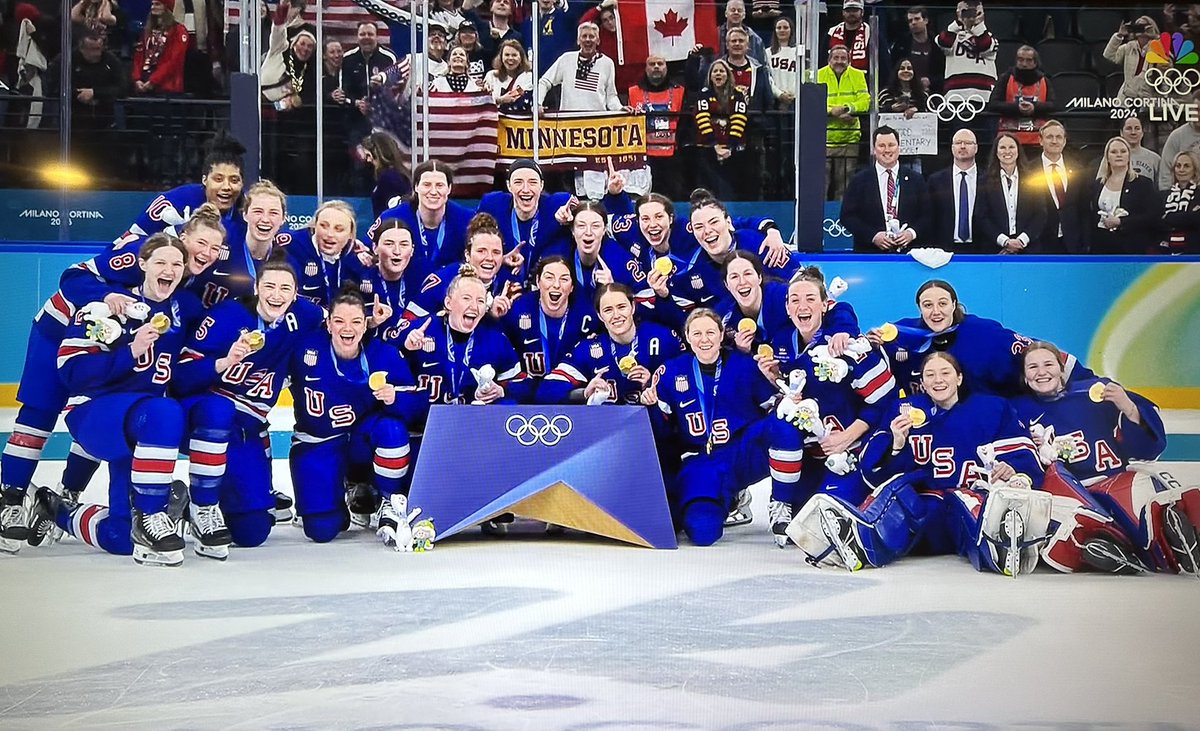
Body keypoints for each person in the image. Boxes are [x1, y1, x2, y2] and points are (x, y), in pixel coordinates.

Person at [0, 209, 226, 554]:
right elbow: (73, 278)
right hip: (60, 335)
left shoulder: (185, 301)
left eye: (215, 248)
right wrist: (109, 309)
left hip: (127, 404)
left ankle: (64, 503)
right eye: (201, 243)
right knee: (39, 415)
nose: (207, 253)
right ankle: (11, 497)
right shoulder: (122, 275)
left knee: (122, 535)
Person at [792, 351, 1049, 576]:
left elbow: (1021, 450)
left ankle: (1001, 544)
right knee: (904, 505)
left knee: (969, 509)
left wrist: (1015, 470)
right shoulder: (904, 410)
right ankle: (859, 541)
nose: (938, 380)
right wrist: (897, 443)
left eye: (945, 373)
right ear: (922, 383)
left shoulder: (991, 408)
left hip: (970, 495)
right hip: (927, 506)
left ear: (959, 378)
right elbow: (873, 470)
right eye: (930, 375)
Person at [41, 235, 206, 566]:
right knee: (164, 411)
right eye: (160, 262)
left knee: (119, 537)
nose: (169, 270)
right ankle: (152, 513)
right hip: (96, 414)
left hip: (142, 427)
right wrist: (130, 352)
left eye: (176, 264)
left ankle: (58, 511)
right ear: (142, 264)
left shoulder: (182, 308)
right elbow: (72, 373)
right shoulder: (107, 307)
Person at [167, 257, 326, 551]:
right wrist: (224, 362)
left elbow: (339, 323)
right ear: (256, 287)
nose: (276, 295)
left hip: (246, 430)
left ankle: (185, 503)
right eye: (269, 286)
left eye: (284, 288)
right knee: (220, 410)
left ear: (295, 294)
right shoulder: (226, 317)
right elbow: (180, 378)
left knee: (252, 532)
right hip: (205, 418)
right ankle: (204, 506)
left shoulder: (305, 315)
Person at [1011, 342, 1198, 575]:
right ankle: (1110, 545)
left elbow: (1150, 449)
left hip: (1113, 481)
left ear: (1061, 369)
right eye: (1033, 367)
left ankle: (1171, 535)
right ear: (1025, 377)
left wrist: (1129, 408)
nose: (1041, 372)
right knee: (1071, 523)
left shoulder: (1095, 393)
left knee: (1143, 504)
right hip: (1065, 493)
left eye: (1048, 364)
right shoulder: (1016, 410)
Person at [755, 267, 897, 546]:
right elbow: (792, 390)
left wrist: (848, 436)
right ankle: (781, 501)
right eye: (794, 300)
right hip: (811, 450)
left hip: (848, 449)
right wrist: (775, 380)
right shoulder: (782, 342)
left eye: (810, 298)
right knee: (779, 423)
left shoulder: (847, 343)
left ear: (825, 304)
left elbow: (885, 401)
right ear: (786, 307)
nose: (802, 306)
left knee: (825, 518)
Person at [288, 286, 427, 547]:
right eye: (339, 321)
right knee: (322, 529)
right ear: (328, 324)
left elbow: (419, 405)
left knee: (392, 431)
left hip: (362, 441)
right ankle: (344, 491)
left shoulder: (383, 354)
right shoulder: (304, 349)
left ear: (366, 326)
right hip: (319, 443)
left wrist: (396, 398)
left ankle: (389, 498)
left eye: (355, 322)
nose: (346, 328)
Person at [641, 308, 776, 546]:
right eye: (697, 333)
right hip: (701, 461)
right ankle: (720, 499)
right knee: (704, 533)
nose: (704, 339)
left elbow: (773, 409)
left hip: (739, 453)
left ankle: (789, 499)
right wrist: (652, 406)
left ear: (722, 334)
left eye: (711, 332)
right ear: (687, 337)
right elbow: (662, 434)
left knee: (784, 428)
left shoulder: (745, 366)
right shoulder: (671, 371)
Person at [867, 279, 1092, 399]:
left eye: (943, 303)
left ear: (954, 304)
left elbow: (1037, 352)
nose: (936, 311)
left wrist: (1088, 382)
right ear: (919, 308)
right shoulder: (902, 333)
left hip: (987, 418)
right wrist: (871, 345)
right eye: (928, 305)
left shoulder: (986, 333)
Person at [402, 266, 528, 409]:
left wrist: (501, 390)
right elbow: (387, 360)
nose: (474, 307)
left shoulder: (496, 339)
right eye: (466, 298)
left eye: (480, 301)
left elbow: (522, 384)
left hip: (471, 423)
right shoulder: (421, 329)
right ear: (448, 303)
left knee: (508, 405)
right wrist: (406, 348)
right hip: (426, 422)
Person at [538, 283, 683, 405]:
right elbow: (545, 391)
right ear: (600, 315)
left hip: (653, 431)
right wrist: (584, 392)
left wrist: (652, 384)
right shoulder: (589, 348)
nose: (616, 315)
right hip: (608, 430)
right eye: (608, 310)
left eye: (621, 307)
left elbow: (685, 383)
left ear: (632, 307)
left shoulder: (662, 338)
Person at [113, 131, 246, 249]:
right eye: (218, 179)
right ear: (204, 180)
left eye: (234, 180)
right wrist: (176, 232)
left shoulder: (249, 211)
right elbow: (127, 242)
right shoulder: (175, 202)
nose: (226, 187)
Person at [499, 255, 598, 391]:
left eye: (564, 279)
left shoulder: (587, 316)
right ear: (538, 282)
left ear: (572, 287)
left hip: (569, 395)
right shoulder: (518, 310)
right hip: (524, 393)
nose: (556, 285)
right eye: (549, 277)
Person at [403, 212, 519, 324]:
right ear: (467, 255)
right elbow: (407, 323)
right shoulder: (444, 281)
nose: (489, 258)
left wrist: (496, 316)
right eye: (481, 251)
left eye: (496, 252)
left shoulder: (507, 284)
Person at [370, 160, 476, 280]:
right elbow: (367, 248)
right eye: (427, 185)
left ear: (449, 188)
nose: (433, 191)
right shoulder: (393, 216)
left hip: (451, 289)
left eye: (439, 185)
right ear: (416, 187)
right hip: (404, 288)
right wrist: (362, 253)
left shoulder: (467, 219)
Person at [841, 125, 931, 253]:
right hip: (870, 255)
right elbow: (847, 216)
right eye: (882, 145)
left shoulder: (916, 179)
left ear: (899, 148)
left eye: (891, 145)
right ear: (874, 149)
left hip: (909, 255)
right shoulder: (859, 180)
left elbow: (927, 215)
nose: (887, 150)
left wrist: (911, 233)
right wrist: (873, 236)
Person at [540, 202, 647, 308]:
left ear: (604, 229)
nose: (588, 232)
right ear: (572, 230)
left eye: (595, 226)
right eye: (581, 226)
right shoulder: (558, 254)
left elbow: (646, 305)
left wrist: (614, 290)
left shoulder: (622, 262)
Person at [1082, 136, 1162, 255]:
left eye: (1123, 151)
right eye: (1114, 152)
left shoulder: (1143, 183)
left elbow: (1152, 216)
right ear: (1107, 157)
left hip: (1131, 247)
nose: (1119, 155)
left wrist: (1121, 222)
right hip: (1101, 247)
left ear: (1129, 156)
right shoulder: (1098, 184)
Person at [287, 200, 369, 307]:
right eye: (324, 226)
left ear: (350, 234)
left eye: (339, 229)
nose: (330, 234)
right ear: (314, 226)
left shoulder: (357, 258)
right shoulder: (293, 247)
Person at [357, 219, 424, 345]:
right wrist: (372, 322)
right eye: (389, 244)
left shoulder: (421, 276)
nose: (397, 251)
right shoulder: (360, 277)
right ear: (375, 248)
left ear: (412, 250)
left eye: (404, 244)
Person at [628, 55, 686, 200]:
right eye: (652, 64)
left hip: (674, 158)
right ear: (646, 68)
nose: (656, 67)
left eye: (660, 63)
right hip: (644, 157)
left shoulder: (680, 91)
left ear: (666, 67)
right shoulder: (633, 92)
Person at [979, 132, 1048, 254]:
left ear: (1018, 151)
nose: (1007, 151)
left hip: (1028, 248)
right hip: (995, 249)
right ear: (996, 152)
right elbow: (982, 217)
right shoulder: (984, 181)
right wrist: (1005, 241)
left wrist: (1022, 240)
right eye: (1002, 147)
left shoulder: (1033, 179)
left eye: (1011, 147)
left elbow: (1040, 214)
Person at [693, 59, 751, 201]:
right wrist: (715, 145)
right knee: (709, 187)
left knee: (732, 189)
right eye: (715, 71)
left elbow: (740, 119)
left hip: (733, 149)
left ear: (728, 74)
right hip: (707, 147)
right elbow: (702, 118)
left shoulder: (737, 94)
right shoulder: (704, 94)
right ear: (710, 76)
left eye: (722, 71)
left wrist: (730, 146)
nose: (718, 74)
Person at [819, 46, 869, 201]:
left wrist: (848, 108)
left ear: (849, 60)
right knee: (821, 184)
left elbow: (865, 100)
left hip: (849, 139)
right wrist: (831, 111)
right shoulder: (817, 75)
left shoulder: (857, 75)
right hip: (824, 139)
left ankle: (841, 219)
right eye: (836, 58)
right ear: (829, 60)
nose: (839, 61)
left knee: (845, 184)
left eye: (843, 58)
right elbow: (811, 101)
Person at [536, 22, 622, 113]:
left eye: (592, 36)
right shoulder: (566, 59)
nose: (588, 40)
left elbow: (611, 96)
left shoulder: (607, 63)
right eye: (584, 36)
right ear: (578, 41)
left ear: (598, 41)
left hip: (597, 122)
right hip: (568, 121)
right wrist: (538, 103)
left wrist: (620, 109)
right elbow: (544, 82)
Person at [987, 45, 1055, 150]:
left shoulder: (1045, 80)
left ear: (1035, 62)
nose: (1024, 64)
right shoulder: (1005, 78)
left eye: (1028, 60)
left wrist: (1035, 108)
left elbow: (1053, 105)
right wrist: (1016, 108)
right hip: (1009, 141)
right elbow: (993, 104)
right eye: (1021, 60)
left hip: (1038, 140)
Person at [1034, 120, 1084, 253]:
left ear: (1065, 141)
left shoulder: (1078, 169)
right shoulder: (1028, 170)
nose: (1054, 141)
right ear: (1040, 140)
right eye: (1049, 137)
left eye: (1059, 137)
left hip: (1073, 243)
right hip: (1040, 243)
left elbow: (1083, 209)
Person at [935, 0, 997, 104]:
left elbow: (985, 46)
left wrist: (978, 24)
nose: (970, 13)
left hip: (984, 95)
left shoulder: (989, 38)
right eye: (965, 11)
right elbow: (943, 43)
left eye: (975, 11)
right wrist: (958, 23)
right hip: (955, 95)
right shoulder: (951, 35)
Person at [260, 1, 317, 112]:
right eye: (302, 44)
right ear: (294, 44)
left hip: (284, 116)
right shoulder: (280, 48)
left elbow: (308, 94)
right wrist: (282, 9)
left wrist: (296, 100)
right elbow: (278, 31)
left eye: (310, 47)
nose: (305, 49)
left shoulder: (309, 68)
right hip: (258, 102)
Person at [131, 0, 189, 95]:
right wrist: (137, 79)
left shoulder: (179, 31)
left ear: (166, 7)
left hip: (167, 88)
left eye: (157, 4)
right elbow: (139, 55)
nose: (153, 7)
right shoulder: (147, 30)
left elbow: (174, 61)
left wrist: (154, 81)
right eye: (152, 4)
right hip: (144, 84)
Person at [1103, 16, 1161, 105]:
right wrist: (1119, 35)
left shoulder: (1158, 48)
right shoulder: (1129, 47)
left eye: (1144, 26)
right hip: (1126, 97)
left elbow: (1168, 62)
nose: (1140, 28)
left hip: (1148, 98)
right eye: (1138, 26)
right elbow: (1109, 55)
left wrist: (1155, 36)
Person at [889, 5, 944, 94]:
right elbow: (893, 70)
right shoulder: (901, 44)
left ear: (926, 20)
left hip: (934, 93)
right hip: (907, 92)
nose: (913, 23)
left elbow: (944, 71)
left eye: (917, 19)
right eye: (910, 21)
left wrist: (931, 81)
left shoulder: (937, 43)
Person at [359, 131, 411, 220]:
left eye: (368, 155)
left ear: (378, 153)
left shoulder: (390, 178)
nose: (368, 160)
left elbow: (394, 209)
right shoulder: (395, 174)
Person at [1158, 150, 1200, 254]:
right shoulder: (1163, 195)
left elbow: (1197, 220)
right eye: (1178, 166)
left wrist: (1168, 217)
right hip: (1165, 250)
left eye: (1186, 166)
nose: (1181, 169)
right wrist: (1189, 215)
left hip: (1194, 251)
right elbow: (1156, 222)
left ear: (1195, 170)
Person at [1157, 90, 1200, 190]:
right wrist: (1166, 197)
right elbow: (1166, 174)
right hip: (1182, 198)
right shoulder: (1177, 136)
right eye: (1196, 110)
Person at [482, 39, 533, 115]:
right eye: (507, 55)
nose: (510, 58)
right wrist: (500, 100)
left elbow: (520, 99)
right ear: (501, 57)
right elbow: (482, 101)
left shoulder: (528, 77)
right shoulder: (491, 75)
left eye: (514, 55)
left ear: (521, 58)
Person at [827, 0, 871, 75]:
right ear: (843, 13)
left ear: (862, 12)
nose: (851, 13)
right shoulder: (831, 33)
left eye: (855, 10)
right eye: (848, 10)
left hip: (862, 80)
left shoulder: (870, 33)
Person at [718, 0, 767, 65]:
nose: (736, 12)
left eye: (739, 10)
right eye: (733, 10)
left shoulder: (755, 39)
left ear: (744, 15)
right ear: (726, 14)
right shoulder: (715, 35)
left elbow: (762, 65)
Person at [765, 17, 797, 108]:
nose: (782, 30)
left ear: (791, 30)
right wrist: (779, 94)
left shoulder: (798, 52)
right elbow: (768, 77)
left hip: (794, 100)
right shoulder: (767, 53)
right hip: (774, 100)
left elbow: (801, 76)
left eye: (785, 27)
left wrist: (792, 94)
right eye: (779, 28)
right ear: (775, 31)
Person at [1121, 115, 1161, 184]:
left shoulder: (1155, 159)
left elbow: (1161, 186)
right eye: (1129, 128)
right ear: (1121, 133)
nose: (1133, 132)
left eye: (1137, 128)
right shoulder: (1113, 157)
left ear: (1142, 133)